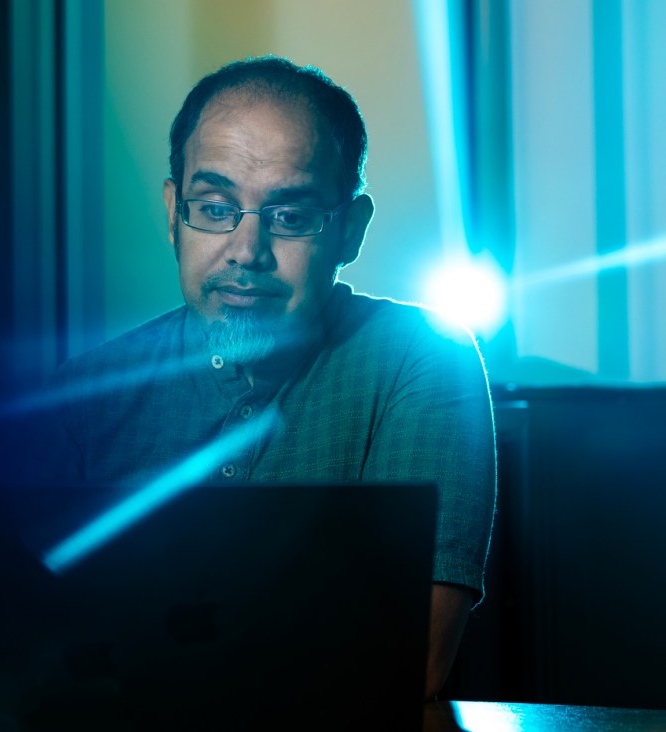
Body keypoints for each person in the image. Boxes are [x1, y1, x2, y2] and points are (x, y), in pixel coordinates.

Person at [25, 56, 496, 700]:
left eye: (291, 216)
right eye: (215, 208)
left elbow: (408, 668)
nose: (246, 252)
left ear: (350, 232)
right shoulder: (85, 395)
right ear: (173, 213)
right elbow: (30, 667)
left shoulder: (420, 358)